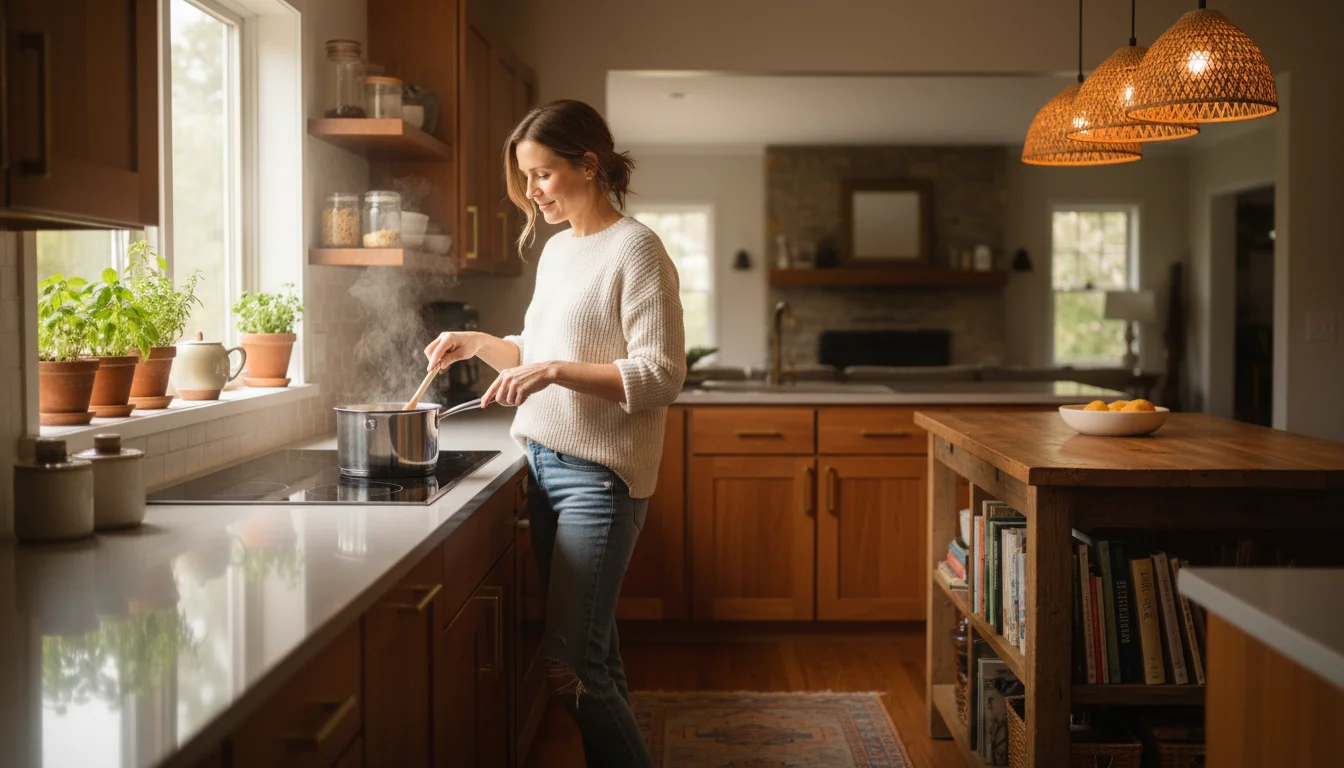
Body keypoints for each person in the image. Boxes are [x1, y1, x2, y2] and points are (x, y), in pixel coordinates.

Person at [424, 99, 684, 767]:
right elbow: (539, 351)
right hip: (540, 463)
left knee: (570, 669)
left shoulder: (638, 250)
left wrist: (555, 370)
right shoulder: (559, 250)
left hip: (598, 478)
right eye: (526, 177)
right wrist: (481, 341)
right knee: (594, 660)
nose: (532, 192)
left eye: (542, 175)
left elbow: (659, 376)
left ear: (588, 165)